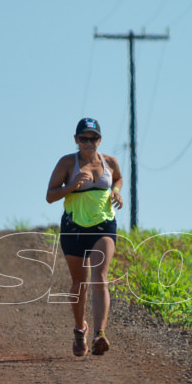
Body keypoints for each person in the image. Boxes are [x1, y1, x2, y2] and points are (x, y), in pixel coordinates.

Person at [46, 118, 124, 357]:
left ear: (100, 140)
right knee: (79, 283)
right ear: (76, 140)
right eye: (84, 138)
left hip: (103, 226)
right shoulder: (68, 163)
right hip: (74, 227)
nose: (89, 143)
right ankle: (80, 330)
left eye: (93, 138)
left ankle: (100, 334)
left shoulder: (109, 162)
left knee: (100, 277)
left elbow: (118, 179)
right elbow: (50, 195)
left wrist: (116, 192)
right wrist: (70, 186)